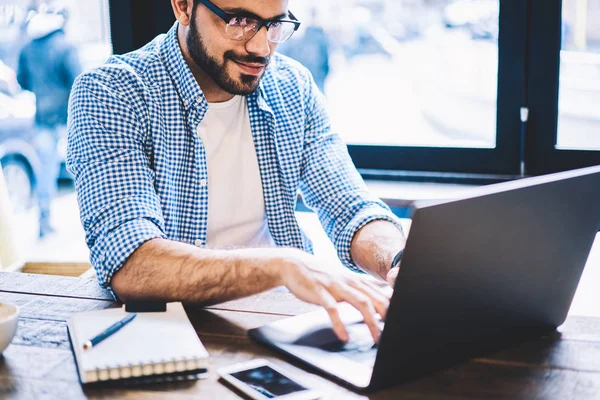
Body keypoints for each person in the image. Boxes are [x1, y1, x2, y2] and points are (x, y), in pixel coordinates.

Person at [67, 0, 406, 343]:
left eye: (275, 24)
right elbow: (132, 266)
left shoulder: (292, 86)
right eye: (240, 21)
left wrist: (397, 260)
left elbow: (349, 205)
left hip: (278, 324)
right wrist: (282, 266)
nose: (261, 47)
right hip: (164, 333)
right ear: (183, 7)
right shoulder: (112, 92)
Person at [17, 5, 81, 238]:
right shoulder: (65, 46)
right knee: (84, 168)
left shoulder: (27, 48)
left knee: (46, 168)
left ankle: (44, 221)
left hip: (42, 118)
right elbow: (79, 82)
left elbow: (22, 81)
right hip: (68, 118)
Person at [279, 8, 330, 92]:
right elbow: (326, 59)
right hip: (316, 75)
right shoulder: (320, 37)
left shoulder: (306, 37)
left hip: (312, 74)